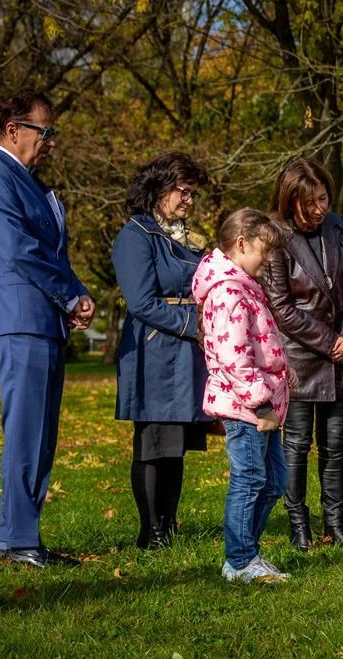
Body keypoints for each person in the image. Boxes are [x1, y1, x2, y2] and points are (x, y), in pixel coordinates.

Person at [0, 91, 95, 567]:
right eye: (46, 131)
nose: (51, 142)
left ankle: (16, 536)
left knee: (39, 435)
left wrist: (77, 293)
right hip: (18, 322)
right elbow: (18, 250)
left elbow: (50, 255)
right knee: (26, 434)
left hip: (40, 322)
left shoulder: (27, 182)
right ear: (13, 129)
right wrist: (68, 295)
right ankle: (18, 541)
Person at [260, 159, 343, 550]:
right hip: (300, 361)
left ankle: (336, 525)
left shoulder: (339, 228)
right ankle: (299, 525)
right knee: (298, 446)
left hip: (342, 358)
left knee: (335, 446)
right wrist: (329, 342)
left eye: (324, 198)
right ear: (291, 204)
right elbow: (281, 307)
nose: (321, 208)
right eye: (311, 203)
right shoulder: (275, 236)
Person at [112, 152, 212, 550]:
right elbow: (141, 302)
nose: (189, 199)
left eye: (193, 193)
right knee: (154, 442)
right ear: (158, 188)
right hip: (153, 352)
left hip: (186, 355)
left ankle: (169, 526)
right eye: (182, 190)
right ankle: (151, 532)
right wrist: (195, 327)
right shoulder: (135, 236)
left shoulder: (187, 238)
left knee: (176, 445)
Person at [192, 207, 294, 583]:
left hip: (261, 402)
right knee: (250, 480)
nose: (268, 260)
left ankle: (246, 552)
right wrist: (262, 402)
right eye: (263, 250)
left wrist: (285, 370)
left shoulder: (244, 288)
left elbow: (258, 343)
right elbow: (235, 358)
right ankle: (239, 560)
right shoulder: (229, 292)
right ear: (240, 243)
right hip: (247, 407)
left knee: (273, 482)